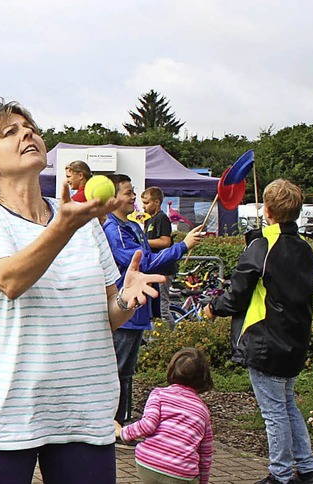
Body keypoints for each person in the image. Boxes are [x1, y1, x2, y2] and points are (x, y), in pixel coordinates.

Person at [0, 99, 165, 484]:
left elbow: (106, 315)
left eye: (29, 127)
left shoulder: (82, 222)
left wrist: (124, 299)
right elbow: (9, 281)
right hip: (6, 413)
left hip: (83, 409)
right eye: (10, 132)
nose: (27, 134)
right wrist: (63, 227)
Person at [204, 179, 313, 484]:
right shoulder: (305, 247)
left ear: (266, 211)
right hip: (295, 339)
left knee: (274, 413)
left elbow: (238, 291)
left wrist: (214, 307)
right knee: (287, 405)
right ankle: (308, 470)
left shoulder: (262, 246)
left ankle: (280, 475)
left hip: (265, 340)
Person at [103, 174, 203, 432]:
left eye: (133, 192)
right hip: (125, 307)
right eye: (128, 193)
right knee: (119, 368)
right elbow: (143, 261)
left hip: (139, 307)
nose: (134, 197)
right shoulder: (114, 230)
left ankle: (121, 420)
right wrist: (182, 247)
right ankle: (113, 423)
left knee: (126, 369)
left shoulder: (134, 226)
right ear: (113, 198)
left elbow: (149, 256)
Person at [117, 348, 214, 484]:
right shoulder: (203, 410)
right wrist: (203, 480)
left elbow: (148, 425)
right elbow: (206, 451)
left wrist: (122, 432)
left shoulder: (159, 395)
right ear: (204, 377)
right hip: (181, 472)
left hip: (148, 464)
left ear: (172, 370)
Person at [141, 187, 176, 330]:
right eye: (143, 203)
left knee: (162, 307)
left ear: (157, 202)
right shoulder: (150, 220)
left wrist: (143, 242)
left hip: (163, 269)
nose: (144, 206)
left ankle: (172, 336)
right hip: (155, 269)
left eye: (147, 203)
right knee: (155, 308)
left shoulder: (161, 218)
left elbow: (165, 241)